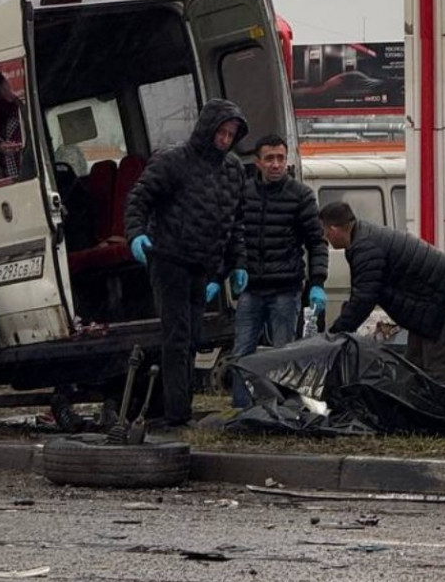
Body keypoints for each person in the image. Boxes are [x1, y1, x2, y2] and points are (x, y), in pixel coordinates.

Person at [124, 98, 249, 428]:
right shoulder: (174, 160)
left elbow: (236, 221)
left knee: (194, 338)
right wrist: (136, 234)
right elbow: (140, 197)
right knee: (177, 337)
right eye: (221, 132)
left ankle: (178, 407)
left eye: (231, 134)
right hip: (169, 257)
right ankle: (177, 414)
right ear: (207, 128)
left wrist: (237, 263)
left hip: (201, 264)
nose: (225, 139)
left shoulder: (233, 170)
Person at [319, 201, 445, 386]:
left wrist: (334, 337)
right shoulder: (362, 239)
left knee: (439, 372)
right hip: (428, 302)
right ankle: (418, 403)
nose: (326, 238)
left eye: (325, 232)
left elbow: (363, 300)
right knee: (414, 369)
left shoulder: (366, 247)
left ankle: (440, 404)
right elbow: (361, 293)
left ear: (334, 229)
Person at [229, 133, 328, 402]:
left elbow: (316, 242)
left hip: (286, 288)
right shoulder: (244, 194)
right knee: (241, 353)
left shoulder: (300, 196)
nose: (275, 164)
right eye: (269, 158)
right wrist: (230, 269)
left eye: (280, 158)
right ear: (257, 162)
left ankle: (282, 410)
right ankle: (242, 409)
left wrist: (317, 282)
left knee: (284, 354)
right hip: (251, 288)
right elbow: (233, 236)